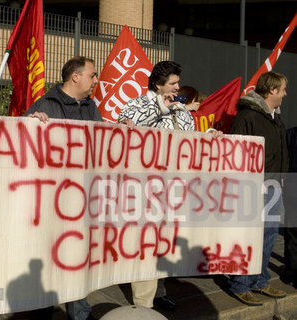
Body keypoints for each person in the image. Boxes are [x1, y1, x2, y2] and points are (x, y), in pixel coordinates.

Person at [118, 61, 221, 311]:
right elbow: (123, 128)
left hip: (175, 189)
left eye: (177, 83)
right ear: (158, 84)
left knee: (165, 244)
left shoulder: (183, 111)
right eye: (173, 83)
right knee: (147, 245)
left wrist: (208, 137)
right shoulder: (138, 104)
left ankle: (160, 291)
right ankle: (144, 303)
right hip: (146, 189)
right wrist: (161, 109)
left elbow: (191, 142)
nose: (178, 88)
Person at [25, 56, 102, 320]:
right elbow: (23, 146)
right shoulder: (45, 105)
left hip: (80, 200)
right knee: (48, 256)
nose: (96, 81)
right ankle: (42, 310)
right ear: (75, 77)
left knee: (77, 257)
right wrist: (30, 125)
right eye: (92, 75)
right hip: (50, 201)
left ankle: (79, 312)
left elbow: (102, 146)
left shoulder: (92, 108)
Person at [228, 71, 288, 306]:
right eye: (283, 89)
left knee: (269, 236)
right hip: (254, 188)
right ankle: (240, 284)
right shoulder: (247, 116)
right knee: (249, 237)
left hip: (274, 186)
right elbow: (237, 154)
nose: (285, 93)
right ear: (272, 90)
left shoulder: (275, 117)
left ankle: (260, 281)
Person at [282, 126, 297, 288]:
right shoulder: (290, 134)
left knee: (292, 232)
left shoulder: (291, 134)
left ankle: (291, 271)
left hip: (292, 189)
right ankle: (291, 270)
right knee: (292, 231)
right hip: (292, 189)